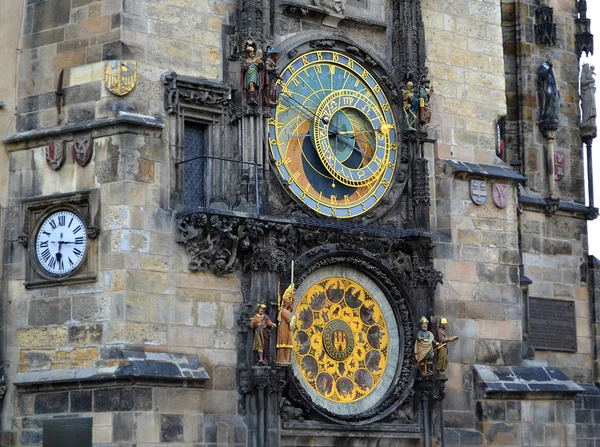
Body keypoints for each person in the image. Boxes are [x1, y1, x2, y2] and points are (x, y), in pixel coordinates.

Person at [276, 284, 295, 365]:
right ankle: (282, 359)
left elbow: (291, 308)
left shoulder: (287, 310)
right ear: (284, 303)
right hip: (283, 329)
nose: (288, 304)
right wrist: (293, 319)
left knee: (288, 343)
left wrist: (293, 300)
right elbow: (288, 319)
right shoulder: (283, 311)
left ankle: (287, 359)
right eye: (286, 302)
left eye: (288, 302)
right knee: (283, 343)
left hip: (286, 329)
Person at [538, 58, 559, 125]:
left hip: (551, 87)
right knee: (548, 99)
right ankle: (546, 114)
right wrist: (549, 68)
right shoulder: (544, 67)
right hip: (546, 88)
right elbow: (542, 75)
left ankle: (552, 115)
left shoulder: (551, 70)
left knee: (553, 100)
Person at [581, 64, 596, 129]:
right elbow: (583, 82)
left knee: (592, 104)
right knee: (587, 106)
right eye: (587, 68)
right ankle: (586, 121)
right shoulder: (584, 74)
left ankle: (591, 121)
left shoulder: (588, 74)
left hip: (590, 91)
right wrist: (591, 80)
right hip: (586, 92)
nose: (588, 69)